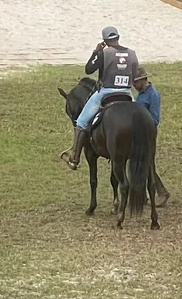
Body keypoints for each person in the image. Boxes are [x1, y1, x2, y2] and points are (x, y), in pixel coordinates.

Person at [60, 26, 139, 170]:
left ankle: (74, 158)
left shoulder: (105, 53)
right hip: (127, 93)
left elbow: (88, 69)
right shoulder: (132, 54)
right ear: (118, 37)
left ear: (105, 41)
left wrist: (97, 51)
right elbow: (134, 75)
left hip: (106, 92)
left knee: (82, 121)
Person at [133, 65, 171, 205]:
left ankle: (162, 192)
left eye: (135, 82)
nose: (134, 85)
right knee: (141, 164)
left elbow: (155, 119)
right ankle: (144, 195)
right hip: (139, 133)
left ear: (143, 80)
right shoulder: (142, 94)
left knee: (147, 164)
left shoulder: (153, 94)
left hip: (147, 134)